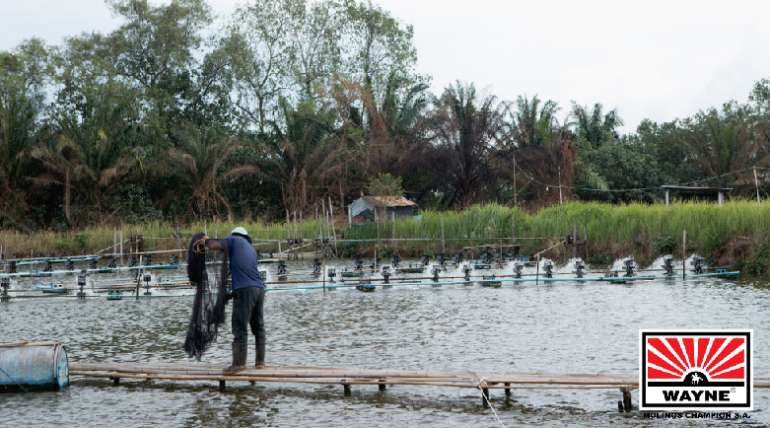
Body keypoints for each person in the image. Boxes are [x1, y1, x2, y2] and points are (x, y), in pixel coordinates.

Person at [195, 227, 265, 372]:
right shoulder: (251, 249)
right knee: (258, 327)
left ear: (235, 235)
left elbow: (216, 245)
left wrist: (206, 241)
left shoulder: (234, 240)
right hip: (259, 290)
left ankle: (239, 364)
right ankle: (260, 362)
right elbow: (244, 274)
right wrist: (229, 295)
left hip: (245, 290)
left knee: (239, 326)